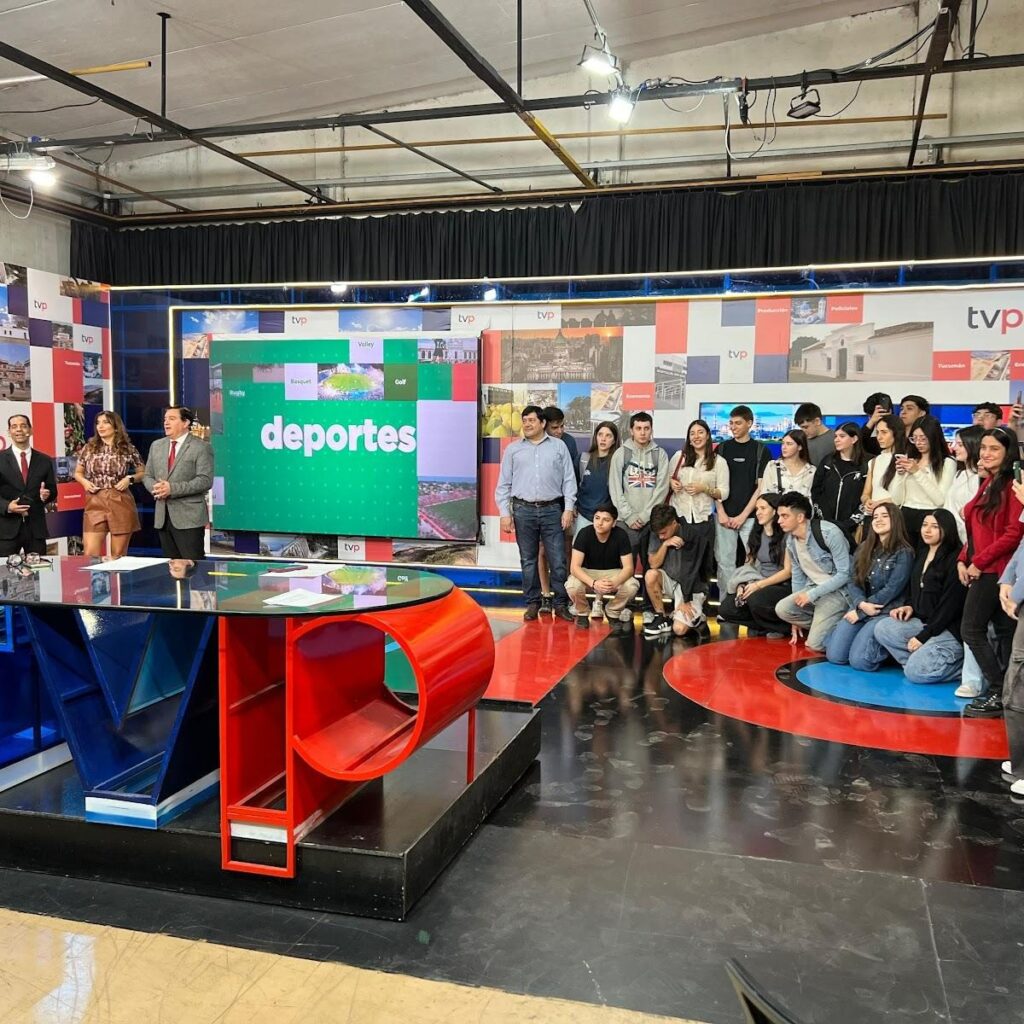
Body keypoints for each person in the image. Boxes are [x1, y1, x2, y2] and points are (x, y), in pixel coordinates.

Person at [958, 427, 1024, 717]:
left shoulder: (1013, 485)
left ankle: (999, 690)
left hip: (998, 570)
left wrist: (978, 562)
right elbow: (976, 528)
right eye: (983, 447)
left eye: (994, 448)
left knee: (971, 629)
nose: (985, 453)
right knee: (1005, 633)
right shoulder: (989, 481)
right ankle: (1006, 692)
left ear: (1008, 453)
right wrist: (963, 558)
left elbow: (1013, 534)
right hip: (984, 567)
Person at [494, 404, 577, 621]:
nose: (527, 424)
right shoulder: (513, 450)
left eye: (531, 420)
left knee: (558, 560)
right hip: (523, 510)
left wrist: (568, 508)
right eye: (524, 421)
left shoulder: (559, 446)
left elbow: (569, 480)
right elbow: (503, 484)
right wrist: (504, 513)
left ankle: (561, 604)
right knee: (528, 560)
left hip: (552, 510)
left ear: (542, 423)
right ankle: (533, 603)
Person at [866, 509, 967, 683]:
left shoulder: (955, 559)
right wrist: (909, 606)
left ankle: (959, 668)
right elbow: (915, 590)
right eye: (924, 525)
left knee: (915, 673)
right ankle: (919, 664)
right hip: (924, 622)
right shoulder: (922, 553)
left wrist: (923, 637)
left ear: (947, 529)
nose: (927, 530)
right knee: (883, 628)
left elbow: (949, 608)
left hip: (947, 628)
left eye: (934, 526)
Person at [824, 502, 913, 667]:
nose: (878, 520)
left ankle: (887, 651)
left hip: (885, 611)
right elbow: (853, 579)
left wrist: (861, 612)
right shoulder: (865, 547)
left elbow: (892, 589)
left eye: (884, 516)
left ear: (895, 520)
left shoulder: (904, 552)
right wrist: (861, 604)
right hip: (863, 606)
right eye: (875, 517)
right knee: (835, 656)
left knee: (860, 662)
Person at [774, 491, 853, 652]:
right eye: (779, 516)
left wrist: (811, 595)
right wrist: (796, 616)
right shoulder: (790, 541)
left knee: (815, 644)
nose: (779, 521)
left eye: (784, 516)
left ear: (800, 517)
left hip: (838, 592)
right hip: (813, 588)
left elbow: (845, 574)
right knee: (783, 609)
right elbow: (797, 577)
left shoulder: (830, 533)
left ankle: (844, 628)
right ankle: (823, 625)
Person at [142, 406, 215, 563]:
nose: (166, 423)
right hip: (163, 517)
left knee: (193, 567)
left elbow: (205, 480)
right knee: (171, 567)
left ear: (186, 422)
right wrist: (156, 488)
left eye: (172, 419)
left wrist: (172, 489)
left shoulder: (201, 447)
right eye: (165, 419)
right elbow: (147, 476)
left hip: (189, 518)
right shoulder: (157, 445)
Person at [717, 493, 792, 637]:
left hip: (782, 585)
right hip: (759, 581)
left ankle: (781, 628)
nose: (758, 512)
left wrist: (759, 585)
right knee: (726, 608)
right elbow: (748, 565)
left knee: (755, 599)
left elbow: (788, 571)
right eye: (757, 509)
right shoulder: (756, 533)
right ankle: (764, 625)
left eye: (763, 508)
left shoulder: (786, 535)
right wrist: (742, 584)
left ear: (774, 511)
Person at [715, 406, 771, 596]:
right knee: (725, 563)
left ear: (749, 423)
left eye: (738, 423)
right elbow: (715, 485)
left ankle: (751, 601)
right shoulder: (722, 448)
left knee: (754, 562)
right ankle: (726, 603)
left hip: (751, 517)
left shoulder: (761, 451)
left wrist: (743, 516)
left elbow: (761, 488)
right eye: (731, 423)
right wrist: (721, 512)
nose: (733, 427)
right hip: (723, 517)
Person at [665, 418, 727, 589]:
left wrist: (705, 488)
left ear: (707, 435)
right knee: (679, 566)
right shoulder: (679, 457)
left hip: (703, 521)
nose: (696, 436)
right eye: (692, 433)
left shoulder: (718, 461)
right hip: (679, 520)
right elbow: (667, 479)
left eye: (700, 432)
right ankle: (680, 600)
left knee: (702, 569)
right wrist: (672, 483)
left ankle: (701, 601)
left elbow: (724, 492)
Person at [74, 410, 145, 558]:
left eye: (105, 422)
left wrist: (129, 479)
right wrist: (85, 482)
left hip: (120, 500)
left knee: (118, 555)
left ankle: (116, 574)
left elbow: (143, 472)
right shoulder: (89, 447)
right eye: (98, 423)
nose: (100, 426)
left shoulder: (128, 449)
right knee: (90, 554)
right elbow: (78, 473)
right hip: (95, 500)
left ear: (116, 427)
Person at [565, 501, 640, 634]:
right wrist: (593, 583)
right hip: (588, 573)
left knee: (632, 585)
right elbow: (574, 567)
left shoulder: (621, 535)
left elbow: (628, 568)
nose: (600, 523)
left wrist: (614, 583)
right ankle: (582, 612)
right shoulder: (584, 533)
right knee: (572, 585)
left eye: (606, 520)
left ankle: (612, 611)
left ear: (614, 523)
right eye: (597, 518)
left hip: (612, 573)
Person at [643, 503, 712, 638]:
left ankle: (699, 619)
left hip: (692, 587)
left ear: (674, 523)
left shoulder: (693, 536)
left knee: (679, 629)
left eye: (663, 533)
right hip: (671, 580)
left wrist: (684, 600)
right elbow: (653, 564)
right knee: (651, 575)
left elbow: (693, 573)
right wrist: (665, 544)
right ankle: (661, 617)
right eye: (658, 534)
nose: (660, 536)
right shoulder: (658, 532)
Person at [888, 414, 956, 546]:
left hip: (930, 517)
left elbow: (940, 500)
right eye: (914, 438)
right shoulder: (910, 459)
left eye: (923, 438)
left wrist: (917, 472)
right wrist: (900, 474)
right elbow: (896, 499)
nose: (918, 443)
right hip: (905, 515)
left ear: (934, 437)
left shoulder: (947, 463)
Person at [536, 406, 580, 612]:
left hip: (565, 504)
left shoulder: (569, 442)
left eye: (562, 426)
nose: (560, 431)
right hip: (544, 504)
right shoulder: (533, 442)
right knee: (542, 550)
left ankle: (566, 594)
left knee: (567, 549)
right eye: (555, 427)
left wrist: (571, 505)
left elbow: (573, 476)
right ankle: (546, 594)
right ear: (544, 425)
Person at [608, 411, 668, 557]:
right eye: (638, 428)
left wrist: (645, 516)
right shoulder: (621, 453)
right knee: (626, 566)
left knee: (652, 565)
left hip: (652, 521)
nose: (642, 432)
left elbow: (662, 489)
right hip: (626, 521)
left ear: (651, 430)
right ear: (631, 431)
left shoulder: (660, 454)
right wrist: (629, 516)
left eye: (646, 428)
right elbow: (615, 488)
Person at [0, 414, 56, 557]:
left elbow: (52, 490)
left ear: (30, 430)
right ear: (9, 432)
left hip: (36, 529)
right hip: (6, 530)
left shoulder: (44, 460)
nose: (19, 430)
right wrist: (7, 506)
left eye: (23, 426)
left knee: (39, 569)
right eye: (14, 427)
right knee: (4, 570)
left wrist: (47, 495)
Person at [811, 420, 868, 544]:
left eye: (842, 436)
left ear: (854, 439)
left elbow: (868, 496)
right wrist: (824, 517)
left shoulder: (866, 465)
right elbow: (816, 490)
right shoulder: (828, 462)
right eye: (835, 436)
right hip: (824, 525)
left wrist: (850, 523)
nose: (837, 440)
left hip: (852, 528)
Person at [576, 421, 619, 533]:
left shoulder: (617, 462)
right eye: (600, 434)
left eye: (608, 435)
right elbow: (572, 485)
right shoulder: (583, 459)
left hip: (607, 518)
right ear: (596, 437)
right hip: (584, 515)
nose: (603, 439)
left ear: (614, 440)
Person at [944, 425, 984, 543]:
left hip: (969, 539)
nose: (954, 447)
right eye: (955, 443)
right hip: (951, 537)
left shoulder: (979, 478)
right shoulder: (959, 474)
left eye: (960, 445)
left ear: (973, 445)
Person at [861, 413, 907, 514]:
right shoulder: (874, 461)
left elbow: (904, 496)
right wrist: (867, 501)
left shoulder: (905, 460)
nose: (879, 437)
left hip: (894, 515)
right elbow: (866, 493)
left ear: (896, 433)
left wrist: (879, 503)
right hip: (874, 514)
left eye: (884, 432)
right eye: (877, 432)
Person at [760, 428, 815, 497]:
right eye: (783, 443)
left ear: (800, 447)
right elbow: (765, 494)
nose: (784, 447)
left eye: (789, 444)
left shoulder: (811, 470)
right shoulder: (772, 466)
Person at [794, 403, 835, 468]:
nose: (803, 431)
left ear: (817, 421)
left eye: (806, 427)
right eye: (801, 428)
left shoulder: (836, 439)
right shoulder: (802, 440)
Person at [858, 392, 894, 457]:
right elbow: (857, 444)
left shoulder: (898, 428)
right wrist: (871, 422)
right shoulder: (867, 430)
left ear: (889, 411)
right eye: (870, 416)